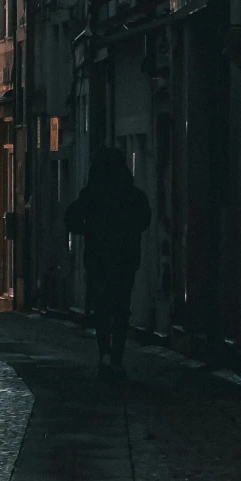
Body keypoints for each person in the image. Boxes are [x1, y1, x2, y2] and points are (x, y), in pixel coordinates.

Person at [65, 145, 151, 375]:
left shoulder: (93, 194)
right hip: (125, 257)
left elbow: (70, 218)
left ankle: (104, 353)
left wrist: (89, 230)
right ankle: (117, 358)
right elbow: (145, 220)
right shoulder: (131, 194)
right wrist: (127, 232)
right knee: (122, 307)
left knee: (102, 307)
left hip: (98, 258)